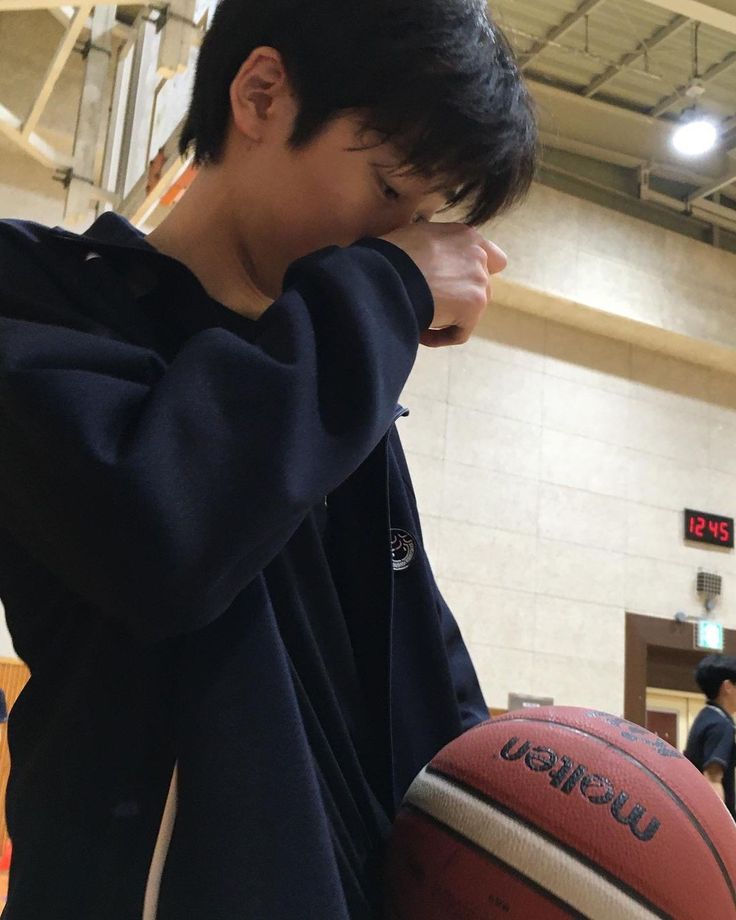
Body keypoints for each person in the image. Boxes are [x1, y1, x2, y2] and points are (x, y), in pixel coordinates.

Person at [0, 0, 537, 916]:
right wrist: (384, 293)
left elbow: (422, 684)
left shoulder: (326, 380)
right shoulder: (38, 294)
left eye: (423, 215)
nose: (404, 236)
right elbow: (161, 531)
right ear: (259, 96)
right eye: (388, 190)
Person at [685, 654, 736, 820]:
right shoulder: (721, 725)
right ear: (728, 687)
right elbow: (713, 778)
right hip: (711, 822)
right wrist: (721, 828)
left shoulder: (706, 717)